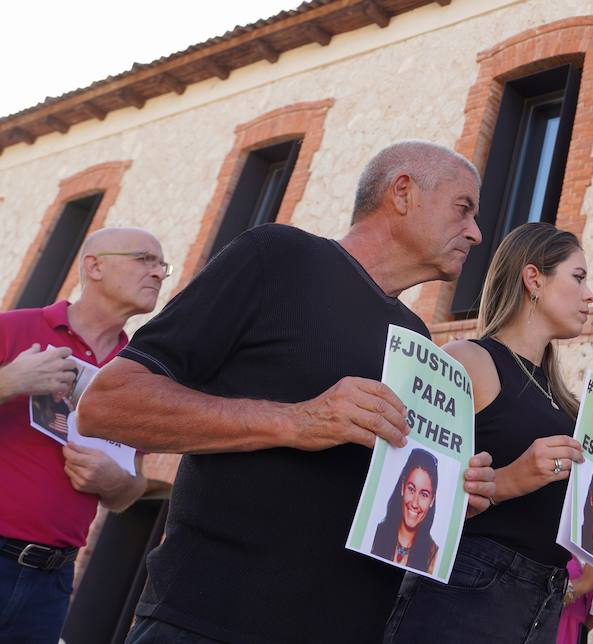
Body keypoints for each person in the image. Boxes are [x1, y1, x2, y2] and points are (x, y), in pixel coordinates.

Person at [78, 141, 498, 644]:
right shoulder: (278, 257)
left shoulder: (415, 337)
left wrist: (448, 497)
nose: (475, 232)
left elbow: (377, 499)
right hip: (210, 622)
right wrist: (297, 421)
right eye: (463, 208)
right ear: (403, 192)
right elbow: (107, 405)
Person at [386, 222, 593, 644]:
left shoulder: (567, 402)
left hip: (543, 603)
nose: (590, 294)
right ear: (533, 279)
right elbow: (398, 496)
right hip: (464, 594)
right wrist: (509, 480)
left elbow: (563, 523)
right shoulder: (467, 361)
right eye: (578, 277)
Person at [0, 226, 164, 643]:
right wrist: (9, 383)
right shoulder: (12, 329)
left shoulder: (138, 377)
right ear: (94, 266)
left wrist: (116, 482)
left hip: (50, 581)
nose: (159, 273)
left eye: (162, 264)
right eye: (145, 259)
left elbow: (131, 489)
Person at [371, 447, 441, 574]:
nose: (415, 503)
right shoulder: (375, 533)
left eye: (424, 494)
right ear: (403, 487)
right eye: (411, 489)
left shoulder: (433, 554)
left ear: (432, 500)